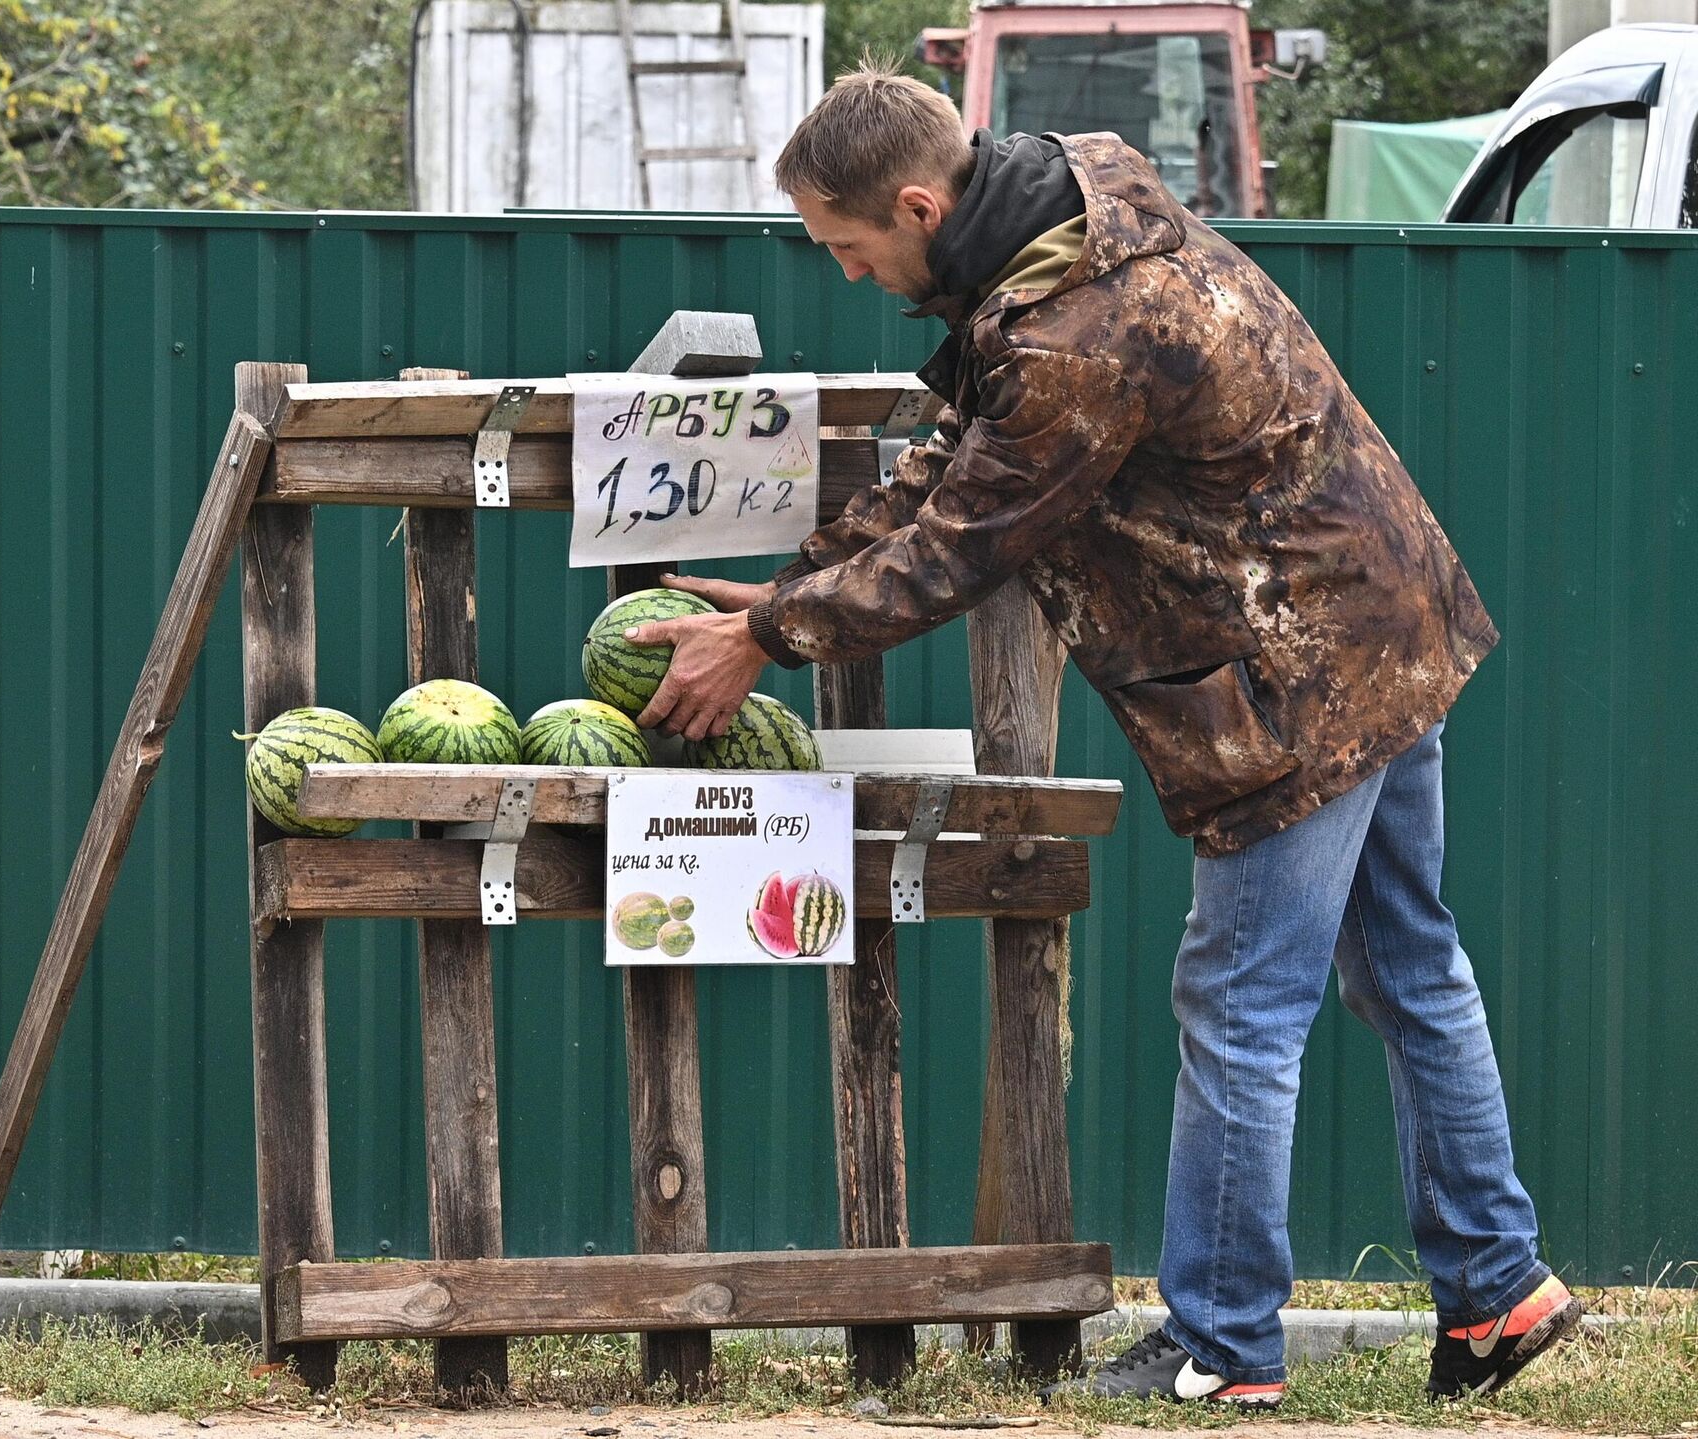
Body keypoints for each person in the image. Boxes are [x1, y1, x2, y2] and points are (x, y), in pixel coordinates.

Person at [621, 61, 1580, 1408]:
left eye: (848, 249)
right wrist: (787, 592)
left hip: (1291, 664)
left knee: (1241, 1002)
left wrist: (768, 640)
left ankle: (1224, 1346)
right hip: (1380, 619)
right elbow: (949, 451)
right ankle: (1498, 1291)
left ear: (914, 202)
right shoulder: (1065, 211)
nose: (843, 275)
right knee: (1410, 970)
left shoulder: (1074, 330)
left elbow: (963, 542)